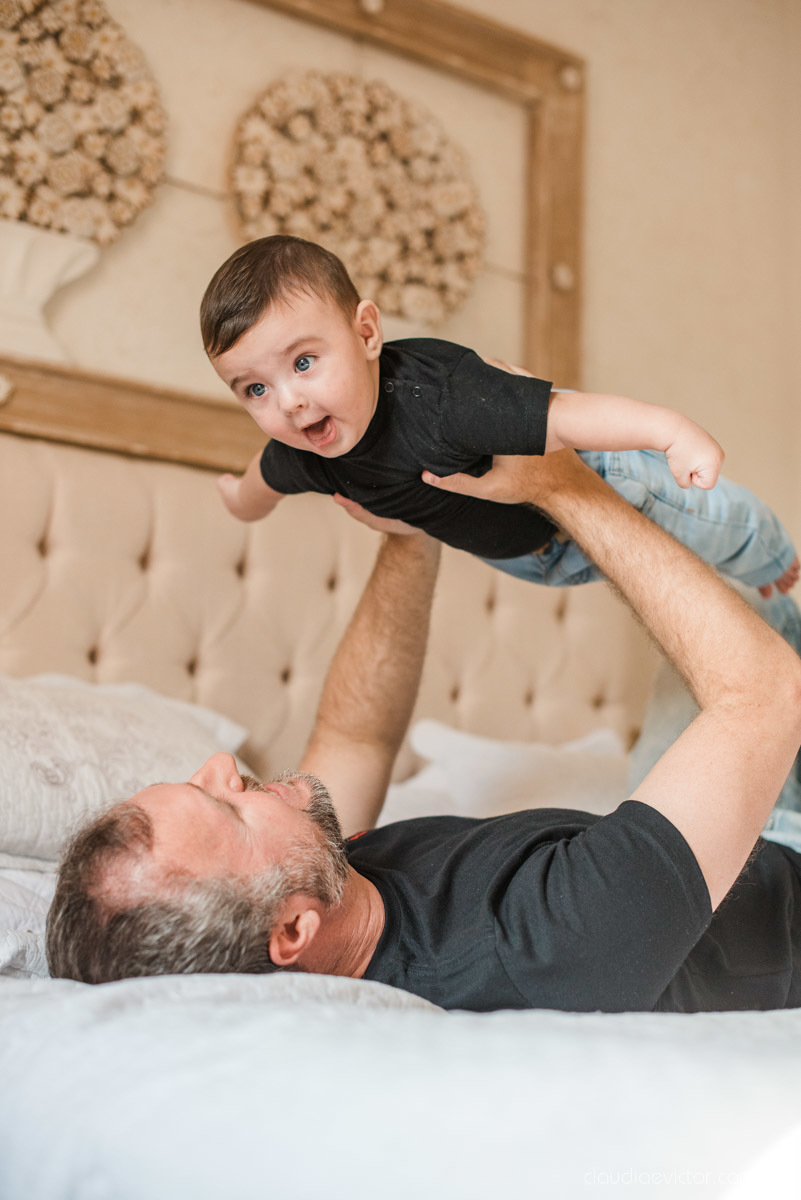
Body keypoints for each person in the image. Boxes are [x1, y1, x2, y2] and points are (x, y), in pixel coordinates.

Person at [46, 450, 801, 1012]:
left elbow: (356, 737)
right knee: (759, 634)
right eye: (225, 806)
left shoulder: (324, 887)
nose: (220, 765)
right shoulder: (538, 946)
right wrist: (562, 483)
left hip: (716, 844)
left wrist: (408, 535)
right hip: (781, 851)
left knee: (746, 593)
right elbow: (766, 695)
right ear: (290, 935)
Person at [199, 235, 798, 597]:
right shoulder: (307, 447)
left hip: (603, 488)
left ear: (366, 332)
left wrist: (672, 431)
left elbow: (567, 415)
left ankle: (775, 561)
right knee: (684, 579)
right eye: (254, 389)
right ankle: (757, 580)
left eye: (303, 362)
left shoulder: (442, 398)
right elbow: (264, 479)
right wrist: (239, 500)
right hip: (532, 557)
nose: (288, 402)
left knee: (717, 526)